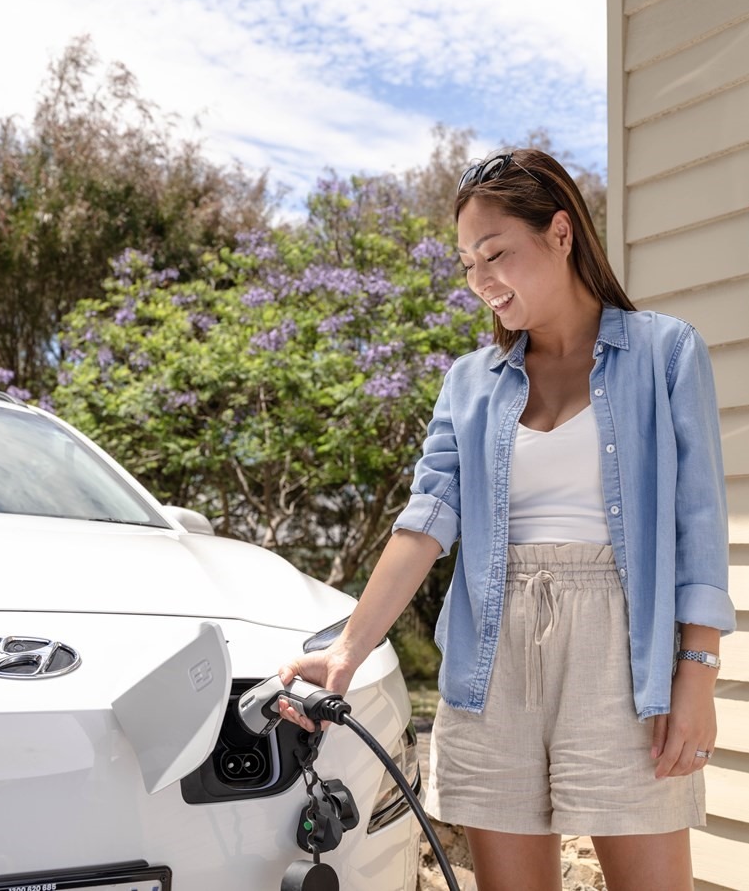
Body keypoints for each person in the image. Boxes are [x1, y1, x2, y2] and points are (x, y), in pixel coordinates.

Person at [276, 148, 736, 891]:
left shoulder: (664, 352)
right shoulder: (469, 383)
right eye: (466, 264)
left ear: (559, 233)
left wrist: (696, 676)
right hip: (490, 654)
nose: (479, 280)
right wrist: (347, 651)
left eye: (494, 254)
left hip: (624, 650)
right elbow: (424, 521)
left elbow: (696, 526)